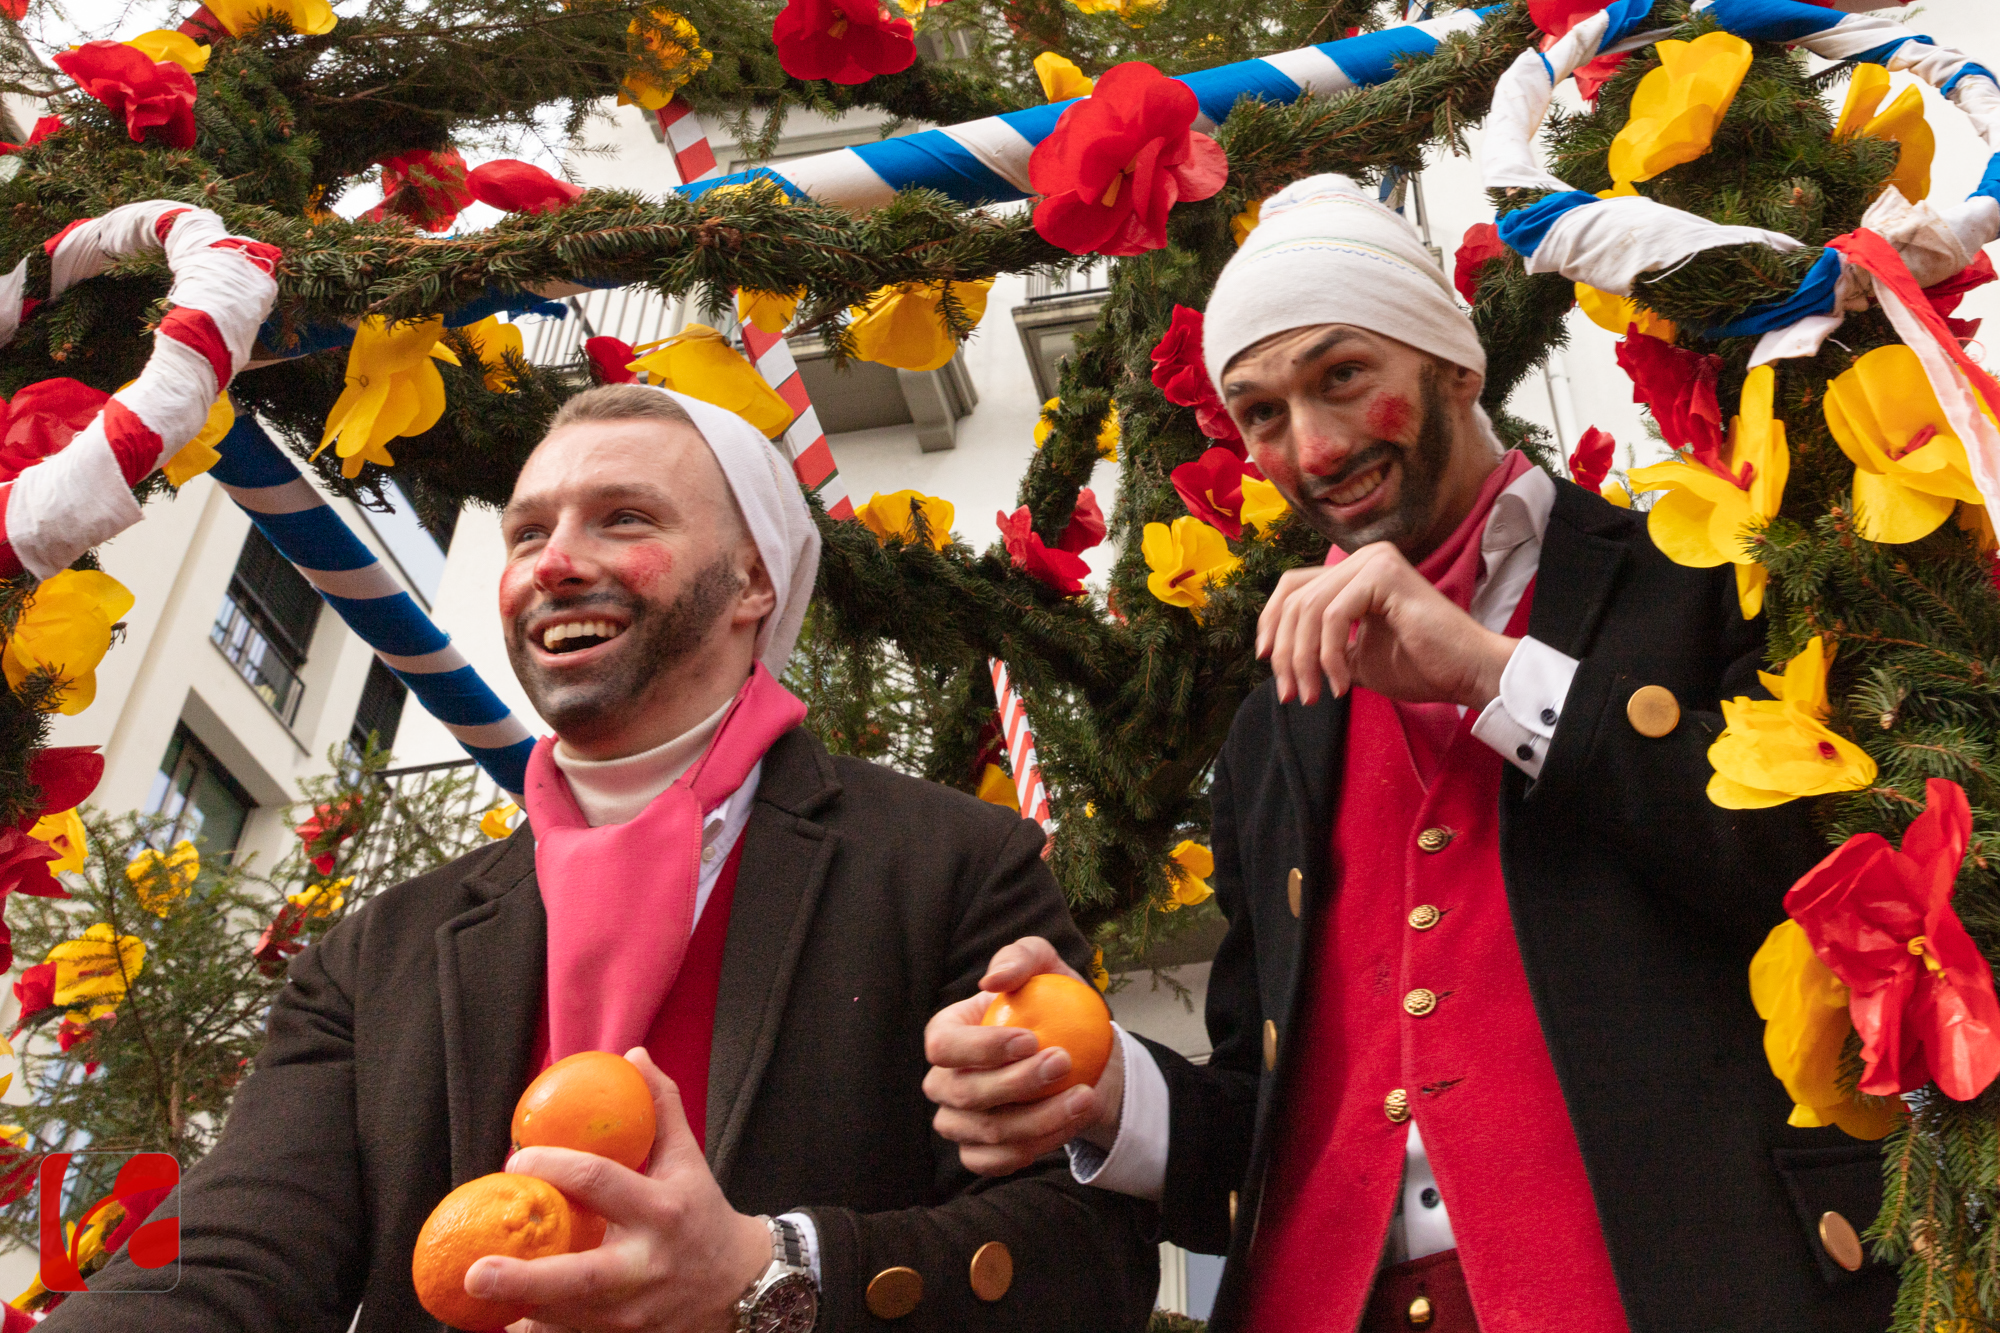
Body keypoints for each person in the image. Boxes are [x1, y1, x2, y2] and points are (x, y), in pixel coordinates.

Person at [922, 175, 1896, 1333]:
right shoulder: (1269, 729)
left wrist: (1493, 676)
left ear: (1456, 365)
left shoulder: (1694, 575)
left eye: (1341, 375)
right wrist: (1102, 1090)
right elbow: (1273, 1122)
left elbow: (1838, 882)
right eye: (1261, 414)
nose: (1312, 447)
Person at [48, 384, 1157, 1333]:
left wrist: (773, 1273)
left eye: (624, 519)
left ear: (754, 580)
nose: (557, 563)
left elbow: (1087, 1250)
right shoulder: (375, 952)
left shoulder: (951, 862)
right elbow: (234, 1245)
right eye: (527, 533)